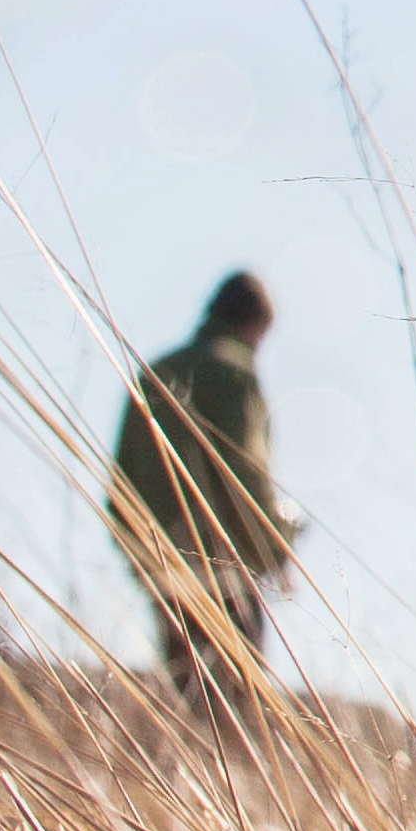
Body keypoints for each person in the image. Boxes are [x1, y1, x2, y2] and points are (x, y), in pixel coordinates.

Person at [107, 273, 292, 710]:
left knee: (189, 701)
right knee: (237, 707)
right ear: (255, 326)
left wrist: (140, 556)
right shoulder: (234, 374)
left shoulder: (155, 371)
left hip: (162, 566)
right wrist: (275, 550)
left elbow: (121, 481)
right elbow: (248, 480)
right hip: (224, 573)